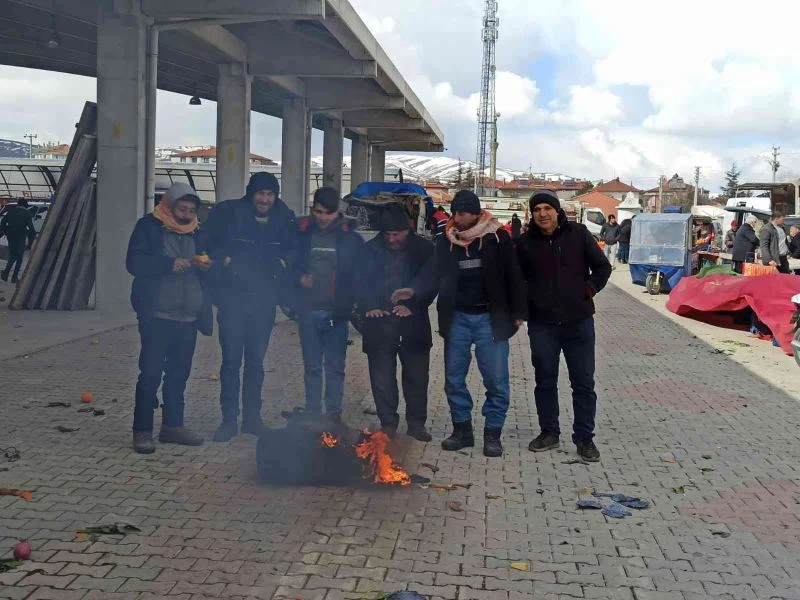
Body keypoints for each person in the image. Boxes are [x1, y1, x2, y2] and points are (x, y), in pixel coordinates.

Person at [391, 189, 526, 458]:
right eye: (455, 212)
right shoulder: (446, 240)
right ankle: (462, 430)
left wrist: (519, 311)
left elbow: (514, 274)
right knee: (454, 378)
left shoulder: (496, 237)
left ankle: (492, 434)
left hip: (490, 318)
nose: (457, 217)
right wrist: (414, 293)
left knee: (496, 380)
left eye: (463, 212)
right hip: (458, 319)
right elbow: (432, 273)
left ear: (476, 213)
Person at [516, 189, 612, 462]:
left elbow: (603, 268)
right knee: (544, 381)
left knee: (583, 383)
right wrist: (523, 309)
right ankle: (549, 433)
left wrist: (589, 289)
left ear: (558, 211)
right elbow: (517, 280)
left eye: (547, 208)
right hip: (542, 325)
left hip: (579, 323)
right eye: (537, 210)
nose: (542, 214)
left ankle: (584, 439)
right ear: (532, 215)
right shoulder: (524, 244)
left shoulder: (579, 235)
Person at [202, 172, 296, 442]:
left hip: (264, 302)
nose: (265, 199)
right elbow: (207, 241)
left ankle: (252, 419)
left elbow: (293, 249)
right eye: (260, 193)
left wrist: (283, 268)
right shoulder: (229, 213)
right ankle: (229, 420)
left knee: (255, 363)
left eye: (270, 194)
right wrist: (225, 261)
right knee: (231, 362)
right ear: (251, 194)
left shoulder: (283, 217)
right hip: (232, 300)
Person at [125, 183, 212, 454]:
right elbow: (134, 263)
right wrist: (168, 264)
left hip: (188, 317)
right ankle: (142, 431)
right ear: (169, 205)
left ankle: (173, 425)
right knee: (150, 373)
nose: (186, 214)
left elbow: (209, 263)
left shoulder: (199, 231)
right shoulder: (149, 227)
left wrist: (209, 265)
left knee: (178, 374)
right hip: (157, 315)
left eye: (191, 210)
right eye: (181, 209)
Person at [359, 205, 435, 440]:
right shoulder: (369, 250)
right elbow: (358, 280)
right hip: (379, 323)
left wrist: (413, 305)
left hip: (413, 324)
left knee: (417, 377)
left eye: (397, 235)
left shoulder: (424, 249)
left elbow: (432, 281)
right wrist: (368, 306)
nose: (392, 240)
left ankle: (416, 424)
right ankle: (388, 423)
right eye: (387, 235)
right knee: (382, 378)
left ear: (408, 229)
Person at [289, 187, 363, 422]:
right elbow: (290, 264)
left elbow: (357, 274)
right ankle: (312, 410)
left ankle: (333, 413)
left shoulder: (350, 237)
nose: (322, 217)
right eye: (318, 212)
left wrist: (350, 300)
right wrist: (299, 278)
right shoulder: (301, 233)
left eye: (328, 213)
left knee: (335, 367)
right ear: (312, 210)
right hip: (308, 311)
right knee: (311, 366)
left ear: (337, 212)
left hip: (336, 314)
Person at [0, 199, 36, 283]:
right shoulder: (27, 213)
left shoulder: (11, 211)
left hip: (11, 236)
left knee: (12, 255)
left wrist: (5, 231)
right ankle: (14, 277)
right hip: (21, 237)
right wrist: (32, 237)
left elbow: (3, 221)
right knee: (19, 258)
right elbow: (31, 228)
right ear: (25, 205)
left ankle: (5, 274)